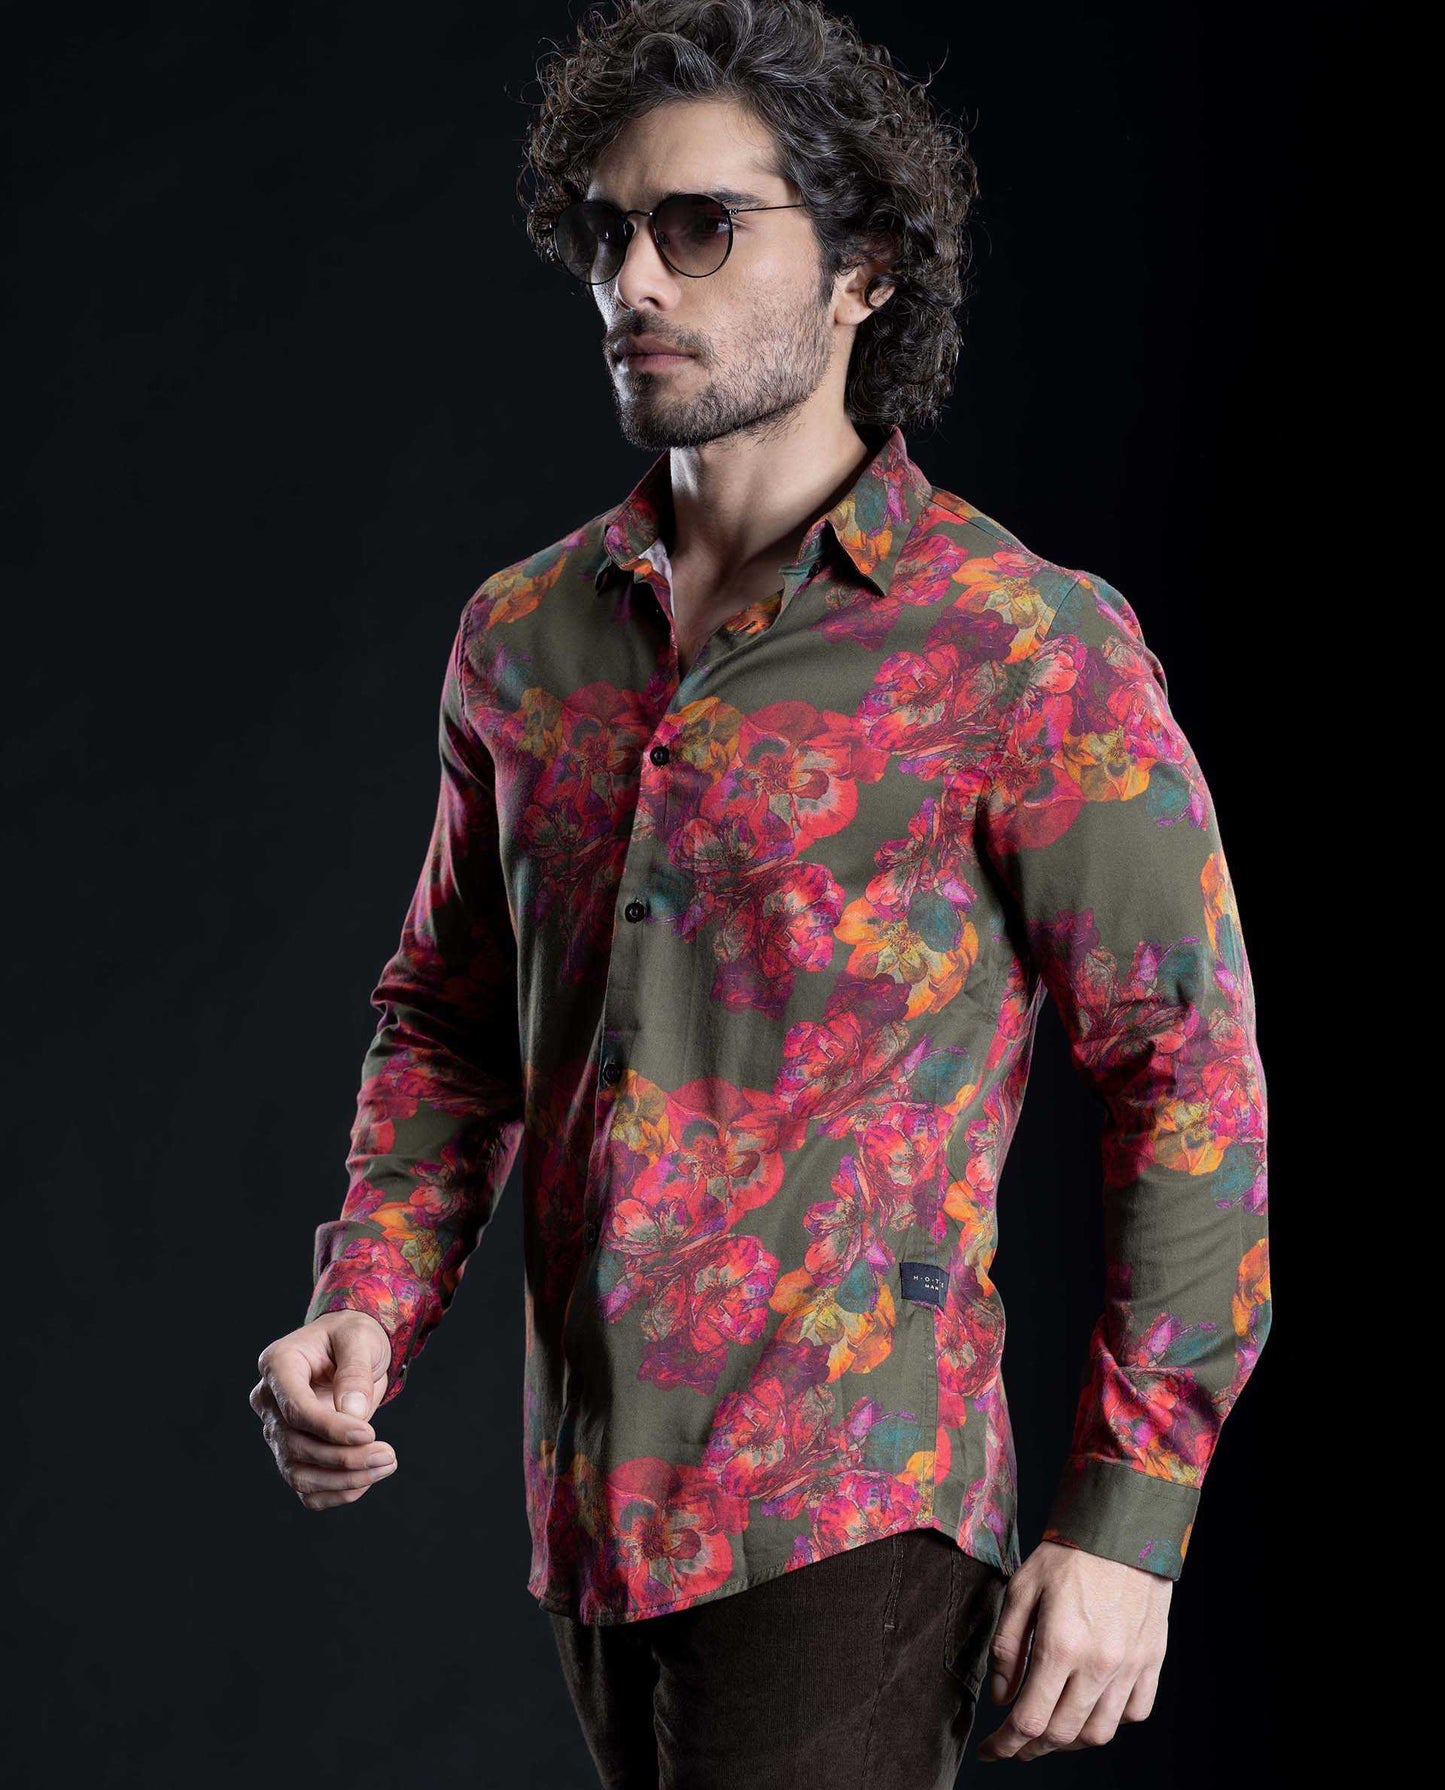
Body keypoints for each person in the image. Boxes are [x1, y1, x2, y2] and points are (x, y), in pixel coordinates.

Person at [249, 3, 1271, 1783]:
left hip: (850, 1502)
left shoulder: (1018, 644)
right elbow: (452, 1020)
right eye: (607, 232)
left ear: (862, 269)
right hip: (588, 1505)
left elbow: (1187, 1074)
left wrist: (1130, 1512)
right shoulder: (523, 638)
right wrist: (371, 1297)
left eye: (698, 226)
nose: (632, 279)